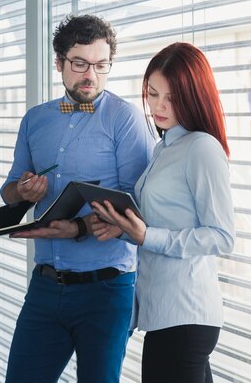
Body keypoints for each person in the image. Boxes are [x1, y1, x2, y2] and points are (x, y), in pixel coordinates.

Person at [0, 14, 154, 383]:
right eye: (80, 64)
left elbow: (138, 206)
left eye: (102, 66)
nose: (91, 76)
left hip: (107, 291)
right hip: (45, 286)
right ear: (59, 63)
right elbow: (8, 192)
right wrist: (22, 191)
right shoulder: (34, 120)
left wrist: (79, 227)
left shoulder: (125, 119)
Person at [91, 42, 235, 383]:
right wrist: (123, 228)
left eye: (170, 98)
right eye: (153, 94)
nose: (158, 106)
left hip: (185, 316)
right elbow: (161, 221)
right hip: (167, 316)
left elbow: (222, 236)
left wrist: (145, 235)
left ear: (193, 97)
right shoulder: (164, 147)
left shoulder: (201, 148)